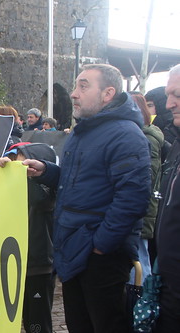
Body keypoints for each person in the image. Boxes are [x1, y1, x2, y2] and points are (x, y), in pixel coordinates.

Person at [22, 63, 151, 333]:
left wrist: (100, 246)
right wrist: (46, 171)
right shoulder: (86, 132)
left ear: (108, 94)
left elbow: (133, 199)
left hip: (98, 257)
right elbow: (76, 181)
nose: (73, 94)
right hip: (74, 250)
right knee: (79, 325)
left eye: (83, 86)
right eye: (75, 85)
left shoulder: (126, 134)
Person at [0, 142, 57, 333]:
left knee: (37, 325)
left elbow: (40, 200)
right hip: (9, 266)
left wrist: (17, 175)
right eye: (13, 159)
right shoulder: (9, 185)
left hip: (37, 268)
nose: (14, 164)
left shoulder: (48, 191)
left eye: (19, 160)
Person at [128, 92, 164, 282]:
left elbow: (146, 178)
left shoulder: (147, 138)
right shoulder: (146, 135)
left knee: (140, 256)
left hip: (142, 211)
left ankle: (141, 300)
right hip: (142, 209)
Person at [155, 64, 180, 332]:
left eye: (177, 95)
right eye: (168, 95)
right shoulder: (175, 145)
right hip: (169, 293)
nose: (169, 104)